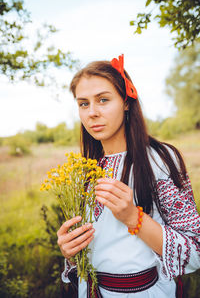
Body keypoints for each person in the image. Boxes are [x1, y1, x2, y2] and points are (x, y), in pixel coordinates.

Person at [57, 54, 200, 298]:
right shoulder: (85, 170)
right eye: (83, 103)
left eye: (103, 100)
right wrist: (70, 251)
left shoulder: (161, 159)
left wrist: (134, 218)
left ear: (126, 101)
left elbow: (194, 252)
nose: (92, 112)